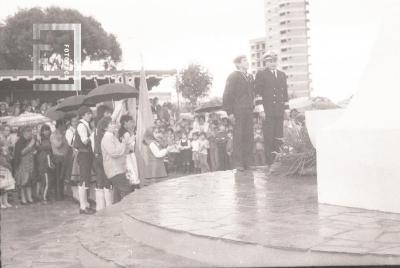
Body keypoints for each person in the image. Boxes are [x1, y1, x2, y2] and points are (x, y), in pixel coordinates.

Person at [254, 51, 289, 166]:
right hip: (267, 111)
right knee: (269, 138)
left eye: (274, 61)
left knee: (279, 137)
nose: (273, 63)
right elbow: (258, 94)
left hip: (279, 111)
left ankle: (278, 161)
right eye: (270, 61)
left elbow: (285, 94)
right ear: (266, 62)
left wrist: (286, 110)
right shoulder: (261, 74)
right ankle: (270, 163)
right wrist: (261, 110)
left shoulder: (282, 75)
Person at [222, 55, 255, 171]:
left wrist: (253, 107)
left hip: (249, 110)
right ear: (238, 64)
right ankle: (238, 164)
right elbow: (227, 95)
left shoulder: (250, 76)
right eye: (244, 61)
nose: (247, 62)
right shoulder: (233, 76)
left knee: (249, 136)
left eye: (247, 60)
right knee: (238, 137)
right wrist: (229, 112)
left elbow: (252, 94)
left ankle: (248, 162)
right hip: (238, 111)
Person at [101, 117, 133, 201]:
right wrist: (123, 143)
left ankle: (117, 213)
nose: (114, 125)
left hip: (118, 169)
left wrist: (127, 145)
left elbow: (121, 152)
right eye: (111, 124)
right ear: (105, 128)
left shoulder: (112, 137)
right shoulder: (107, 138)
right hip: (115, 170)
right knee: (127, 192)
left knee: (118, 195)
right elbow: (114, 153)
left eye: (114, 123)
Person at [74, 106, 95, 214]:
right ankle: (83, 206)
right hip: (84, 154)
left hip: (86, 155)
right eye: (88, 114)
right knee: (83, 180)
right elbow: (85, 141)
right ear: (82, 115)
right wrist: (92, 135)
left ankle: (85, 204)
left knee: (86, 179)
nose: (90, 115)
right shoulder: (82, 126)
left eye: (90, 113)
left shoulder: (85, 125)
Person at [14, 126, 36, 204]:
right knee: (23, 182)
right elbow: (21, 153)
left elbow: (32, 150)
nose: (31, 133)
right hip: (22, 164)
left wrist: (33, 150)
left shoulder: (29, 140)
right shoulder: (20, 141)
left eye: (31, 131)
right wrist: (30, 145)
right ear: (24, 133)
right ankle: (23, 199)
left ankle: (29, 198)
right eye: (29, 131)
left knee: (29, 181)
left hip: (30, 163)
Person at [118, 115, 139, 188]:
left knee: (130, 174)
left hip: (125, 156)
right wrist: (133, 135)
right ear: (125, 123)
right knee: (132, 173)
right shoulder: (126, 133)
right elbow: (128, 145)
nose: (132, 123)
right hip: (128, 156)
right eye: (130, 122)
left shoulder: (121, 131)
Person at [50, 120, 69, 200]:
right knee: (57, 177)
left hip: (63, 157)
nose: (64, 127)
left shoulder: (62, 134)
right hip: (57, 157)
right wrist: (61, 137)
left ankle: (61, 194)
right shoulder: (54, 135)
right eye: (63, 125)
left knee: (62, 177)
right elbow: (58, 145)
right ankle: (57, 195)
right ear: (59, 125)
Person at [37, 124, 54, 202]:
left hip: (47, 162)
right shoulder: (41, 140)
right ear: (42, 131)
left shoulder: (47, 139)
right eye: (45, 130)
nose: (47, 131)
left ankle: (46, 196)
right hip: (44, 163)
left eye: (48, 130)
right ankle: (43, 198)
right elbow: (46, 149)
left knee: (48, 181)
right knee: (46, 181)